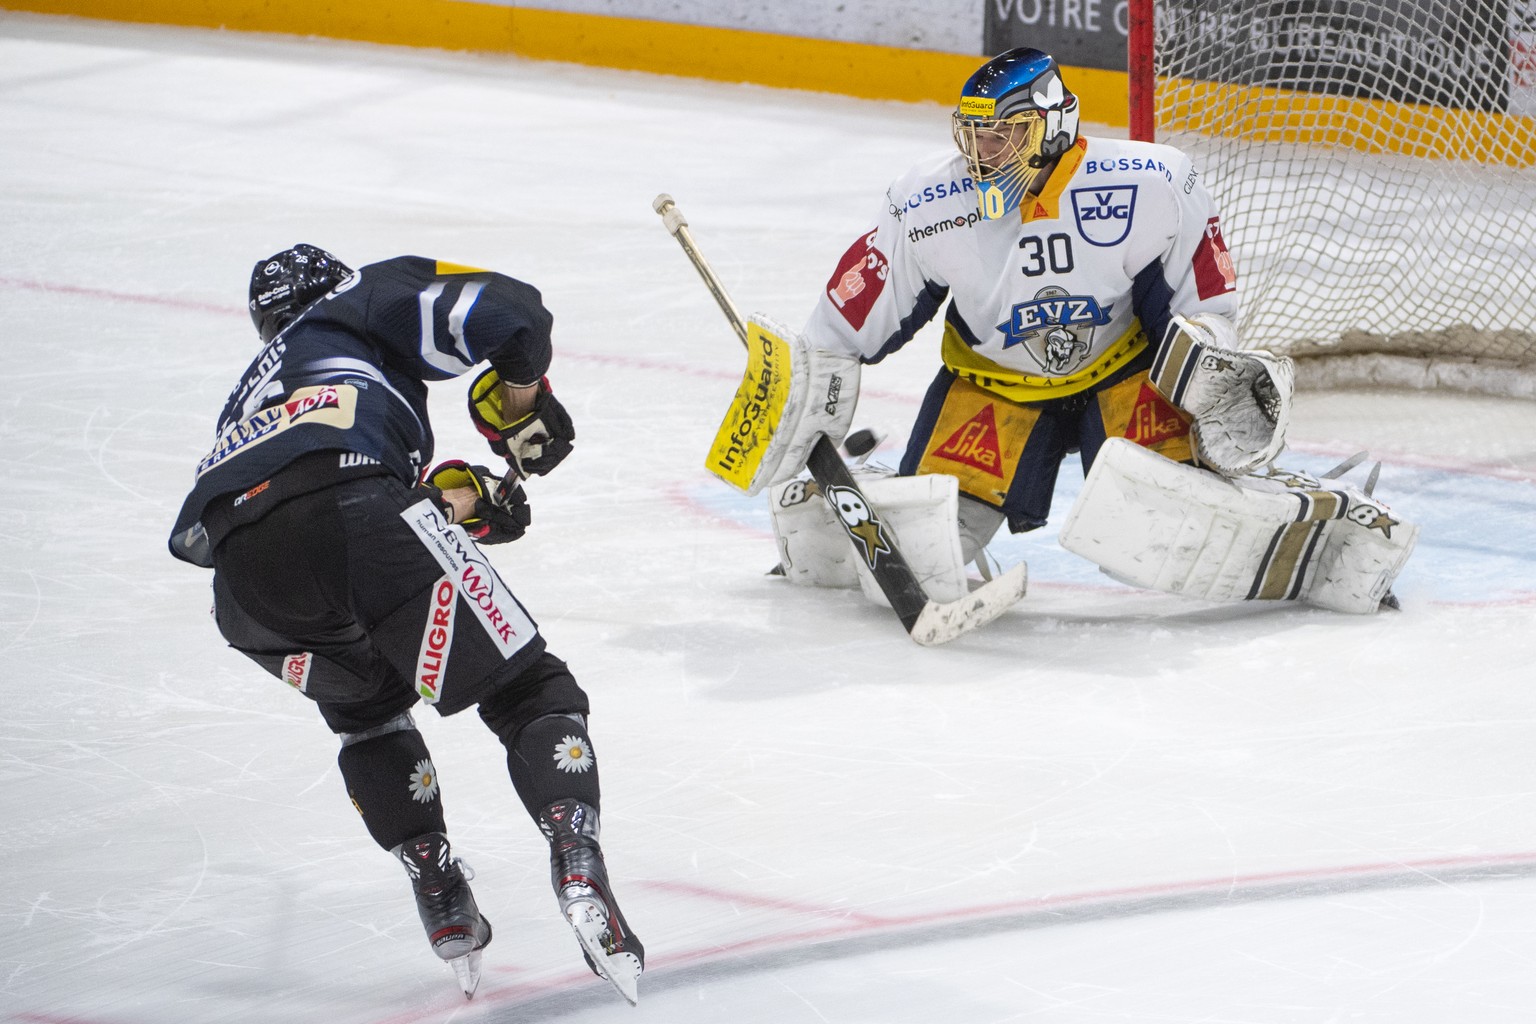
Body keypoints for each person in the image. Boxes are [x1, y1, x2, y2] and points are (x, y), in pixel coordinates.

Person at [754, 48, 1414, 614]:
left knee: (1165, 540)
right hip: (993, 389)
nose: (982, 154)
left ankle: (1329, 509)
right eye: (974, 135)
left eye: (1003, 134)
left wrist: (1208, 367)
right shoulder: (927, 202)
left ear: (1051, 124)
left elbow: (1201, 308)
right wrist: (805, 394)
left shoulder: (1152, 182)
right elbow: (848, 324)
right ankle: (870, 490)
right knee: (923, 558)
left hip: (1125, 381)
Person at [168, 245, 644, 1001]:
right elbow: (514, 312)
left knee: (369, 712)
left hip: (247, 586)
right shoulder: (356, 305)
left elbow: (309, 496)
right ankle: (577, 858)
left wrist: (462, 504)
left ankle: (439, 886)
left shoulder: (255, 390)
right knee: (529, 691)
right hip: (356, 513)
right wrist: (518, 405)